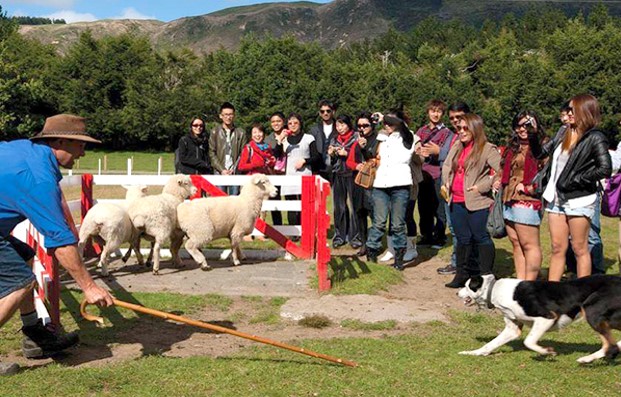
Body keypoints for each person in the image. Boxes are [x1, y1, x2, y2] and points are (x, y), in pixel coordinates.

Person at [0, 114, 114, 376]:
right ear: (61, 141)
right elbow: (61, 242)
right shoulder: (37, 177)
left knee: (25, 256)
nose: (83, 154)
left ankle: (34, 334)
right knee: (19, 282)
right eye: (81, 146)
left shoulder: (27, 152)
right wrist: (89, 286)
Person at [529, 94, 611, 281]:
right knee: (557, 248)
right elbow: (541, 153)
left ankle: (583, 294)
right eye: (568, 109)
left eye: (572, 109)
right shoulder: (563, 132)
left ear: (585, 110)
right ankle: (553, 293)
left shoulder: (595, 137)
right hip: (556, 198)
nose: (568, 113)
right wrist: (533, 135)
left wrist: (577, 179)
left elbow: (604, 168)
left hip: (579, 199)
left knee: (580, 248)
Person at [441, 113, 502, 288]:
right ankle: (462, 274)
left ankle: (485, 276)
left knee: (480, 237)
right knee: (462, 239)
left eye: (465, 128)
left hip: (477, 202)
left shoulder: (487, 148)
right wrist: (447, 180)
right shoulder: (457, 146)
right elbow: (446, 165)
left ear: (475, 128)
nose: (461, 131)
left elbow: (502, 170)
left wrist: (482, 186)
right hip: (456, 200)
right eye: (458, 128)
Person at [364, 110, 419, 271]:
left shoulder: (408, 136)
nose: (386, 124)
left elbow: (402, 126)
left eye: (390, 121)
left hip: (400, 185)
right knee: (379, 222)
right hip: (381, 184)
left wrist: (383, 118)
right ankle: (371, 252)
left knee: (397, 224)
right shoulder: (381, 138)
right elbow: (371, 154)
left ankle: (399, 256)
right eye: (385, 122)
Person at [501, 111, 546, 280]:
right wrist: (499, 179)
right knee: (516, 242)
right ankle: (520, 282)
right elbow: (505, 167)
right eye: (519, 125)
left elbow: (546, 174)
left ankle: (530, 284)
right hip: (509, 198)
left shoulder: (542, 146)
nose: (522, 129)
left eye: (526, 125)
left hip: (527, 200)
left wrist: (529, 188)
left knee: (529, 244)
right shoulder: (513, 146)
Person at [436, 102, 475, 276]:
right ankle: (458, 262)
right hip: (449, 189)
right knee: (455, 229)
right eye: (451, 118)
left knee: (464, 230)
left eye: (458, 117)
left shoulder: (472, 136)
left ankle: (463, 264)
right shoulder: (452, 136)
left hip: (465, 190)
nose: (455, 121)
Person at [415, 100, 454, 249]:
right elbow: (416, 146)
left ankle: (439, 236)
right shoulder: (421, 131)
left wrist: (435, 152)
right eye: (433, 111)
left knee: (439, 207)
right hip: (423, 174)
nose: (435, 114)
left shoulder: (447, 133)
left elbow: (447, 153)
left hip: (438, 173)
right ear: (428, 112)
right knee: (423, 207)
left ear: (442, 114)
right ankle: (426, 235)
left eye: (439, 111)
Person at [273, 113, 320, 229]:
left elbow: (317, 157)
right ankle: (293, 231)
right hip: (289, 176)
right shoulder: (284, 139)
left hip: (305, 176)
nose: (293, 125)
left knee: (306, 205)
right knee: (291, 206)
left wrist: (304, 160)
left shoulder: (309, 138)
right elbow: (276, 156)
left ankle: (306, 229)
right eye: (290, 123)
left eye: (295, 123)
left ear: (300, 124)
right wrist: (279, 141)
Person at [347, 112, 379, 256]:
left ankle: (375, 244)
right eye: (359, 125)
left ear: (372, 125)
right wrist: (356, 166)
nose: (362, 128)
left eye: (365, 125)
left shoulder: (378, 140)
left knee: (374, 213)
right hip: (358, 181)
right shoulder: (356, 142)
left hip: (373, 182)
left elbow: (376, 159)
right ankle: (364, 243)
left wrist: (365, 149)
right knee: (359, 213)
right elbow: (349, 161)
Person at [328, 115, 359, 249]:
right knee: (339, 206)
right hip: (338, 174)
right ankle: (340, 236)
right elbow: (332, 159)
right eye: (337, 126)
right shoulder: (334, 139)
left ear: (348, 124)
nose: (340, 128)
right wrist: (331, 153)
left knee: (355, 206)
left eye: (342, 125)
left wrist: (346, 153)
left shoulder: (356, 137)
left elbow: (361, 154)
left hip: (353, 174)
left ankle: (355, 237)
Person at [209, 102, 247, 195]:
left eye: (230, 114)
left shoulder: (241, 133)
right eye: (225, 114)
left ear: (234, 115)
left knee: (234, 201)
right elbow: (211, 152)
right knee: (220, 200)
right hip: (219, 171)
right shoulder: (215, 132)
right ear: (221, 116)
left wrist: (234, 169)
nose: (228, 117)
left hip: (235, 172)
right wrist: (222, 169)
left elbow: (243, 153)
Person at [264, 112, 287, 227]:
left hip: (289, 174)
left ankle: (294, 228)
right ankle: (277, 226)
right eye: (273, 121)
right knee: (274, 200)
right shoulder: (268, 139)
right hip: (274, 174)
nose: (276, 123)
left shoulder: (290, 135)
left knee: (291, 200)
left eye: (278, 121)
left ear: (283, 122)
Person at [309, 99, 336, 182]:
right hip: (318, 168)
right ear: (319, 113)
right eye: (322, 111)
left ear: (333, 112)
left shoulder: (340, 128)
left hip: (336, 168)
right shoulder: (314, 130)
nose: (325, 113)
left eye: (328, 111)